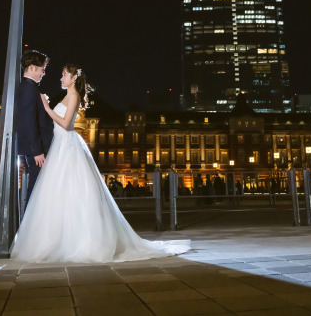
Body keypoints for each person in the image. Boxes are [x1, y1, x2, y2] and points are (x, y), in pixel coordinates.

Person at [11, 64, 190, 263]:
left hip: (68, 146)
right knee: (59, 193)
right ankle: (60, 239)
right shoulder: (65, 96)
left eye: (63, 75)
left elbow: (65, 123)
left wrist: (45, 107)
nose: (60, 78)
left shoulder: (74, 97)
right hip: (59, 147)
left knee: (74, 192)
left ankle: (79, 241)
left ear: (74, 77)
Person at [15, 50, 54, 209]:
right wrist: (37, 150)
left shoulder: (30, 87)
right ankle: (28, 225)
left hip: (38, 149)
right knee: (36, 188)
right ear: (31, 68)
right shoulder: (28, 88)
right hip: (37, 151)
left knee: (39, 187)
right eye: (42, 68)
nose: (44, 73)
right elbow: (29, 121)